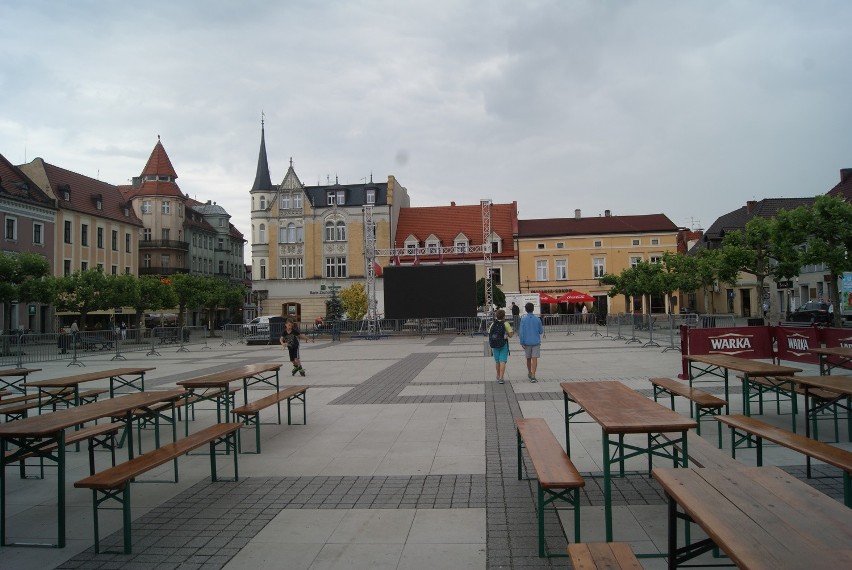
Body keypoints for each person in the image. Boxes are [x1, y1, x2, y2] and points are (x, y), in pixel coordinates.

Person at [518, 302, 544, 383]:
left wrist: (522, 342)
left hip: (527, 341)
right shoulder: (537, 319)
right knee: (535, 358)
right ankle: (533, 375)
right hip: (536, 341)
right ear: (533, 309)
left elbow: (521, 332)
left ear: (525, 309)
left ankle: (529, 372)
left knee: (528, 358)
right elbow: (541, 331)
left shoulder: (523, 319)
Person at [489, 309, 513, 384]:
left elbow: (490, 333)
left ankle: (498, 375)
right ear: (504, 316)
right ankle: (501, 378)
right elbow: (510, 335)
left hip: (494, 345)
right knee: (502, 361)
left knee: (497, 361)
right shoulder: (506, 324)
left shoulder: (493, 324)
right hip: (503, 344)